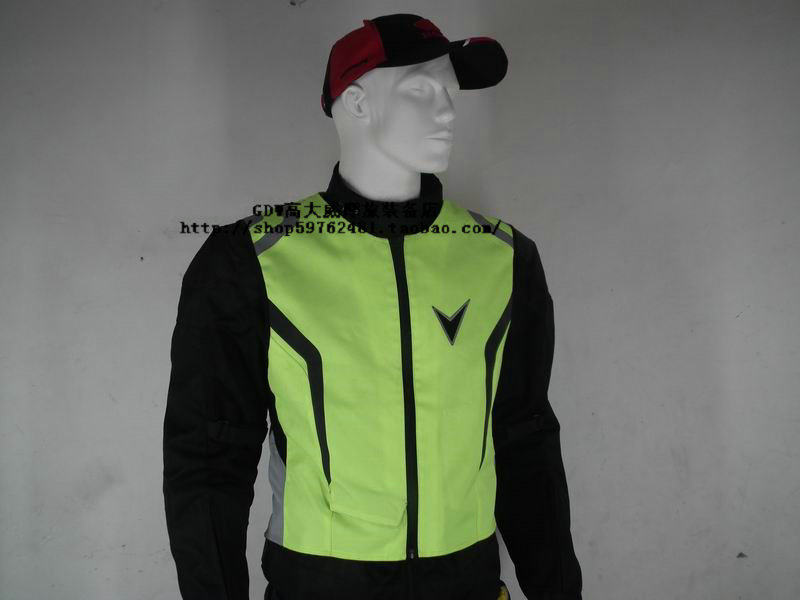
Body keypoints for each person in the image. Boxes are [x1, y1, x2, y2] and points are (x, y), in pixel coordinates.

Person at [163, 13, 583, 600]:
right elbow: (209, 456)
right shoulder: (252, 260)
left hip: (466, 583)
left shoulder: (502, 257)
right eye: (421, 89)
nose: (447, 110)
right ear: (356, 102)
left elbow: (525, 440)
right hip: (320, 585)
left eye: (451, 92)